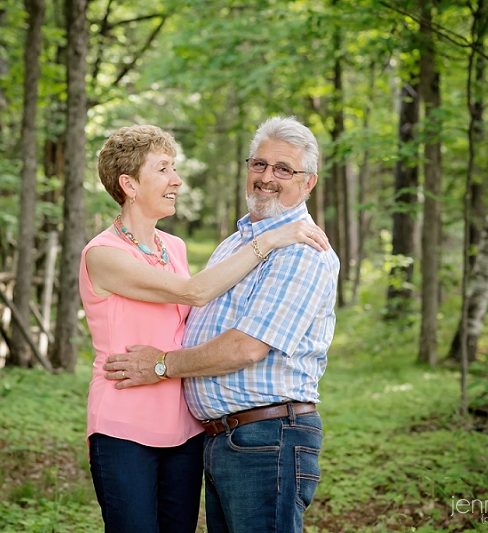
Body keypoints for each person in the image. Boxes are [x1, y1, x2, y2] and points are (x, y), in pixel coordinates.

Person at [79, 124, 329, 533]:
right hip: (126, 420)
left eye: (173, 167)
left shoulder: (174, 247)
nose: (176, 179)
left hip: (187, 430)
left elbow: (236, 337)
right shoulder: (104, 254)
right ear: (129, 184)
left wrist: (165, 366)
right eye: (163, 169)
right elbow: (196, 293)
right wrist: (268, 240)